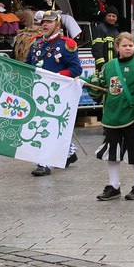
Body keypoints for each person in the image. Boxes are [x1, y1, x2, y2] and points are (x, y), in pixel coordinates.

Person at [87, 32, 134, 201]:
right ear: (117, 47)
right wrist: (85, 82)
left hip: (131, 116)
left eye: (130, 45)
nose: (128, 48)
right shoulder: (109, 66)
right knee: (112, 152)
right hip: (112, 116)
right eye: (124, 45)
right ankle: (114, 186)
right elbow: (99, 83)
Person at [26, 10, 82, 176]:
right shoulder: (35, 43)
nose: (44, 25)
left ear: (57, 25)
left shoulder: (67, 44)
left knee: (46, 126)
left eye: (49, 22)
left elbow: (75, 69)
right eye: (43, 22)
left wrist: (55, 77)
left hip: (56, 93)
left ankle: (44, 163)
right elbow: (29, 65)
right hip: (38, 91)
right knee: (45, 125)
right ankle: (68, 153)